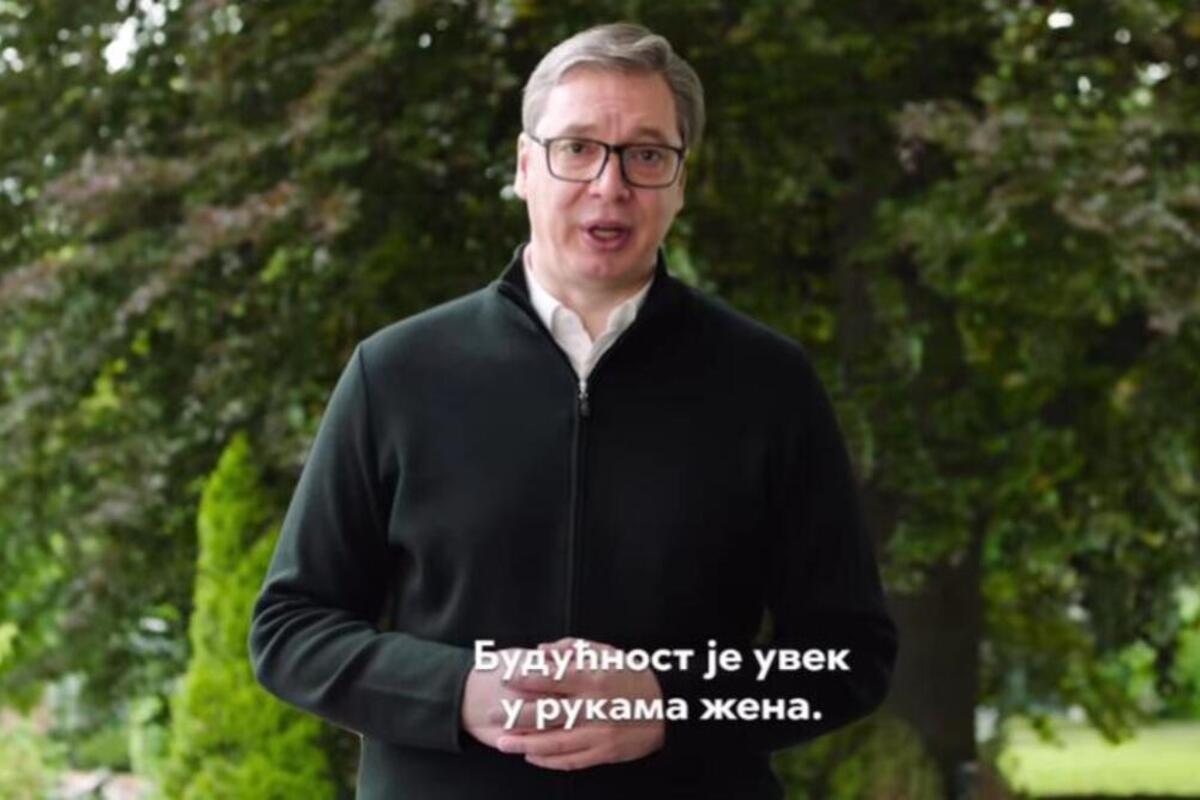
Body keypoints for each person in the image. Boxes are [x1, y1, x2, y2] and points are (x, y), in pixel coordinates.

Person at [249, 22, 897, 799]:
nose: (610, 185)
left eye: (646, 155)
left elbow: (847, 657)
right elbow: (291, 630)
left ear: (681, 180)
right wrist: (458, 690)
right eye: (578, 148)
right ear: (526, 166)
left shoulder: (769, 383)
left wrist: (669, 704)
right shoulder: (394, 372)